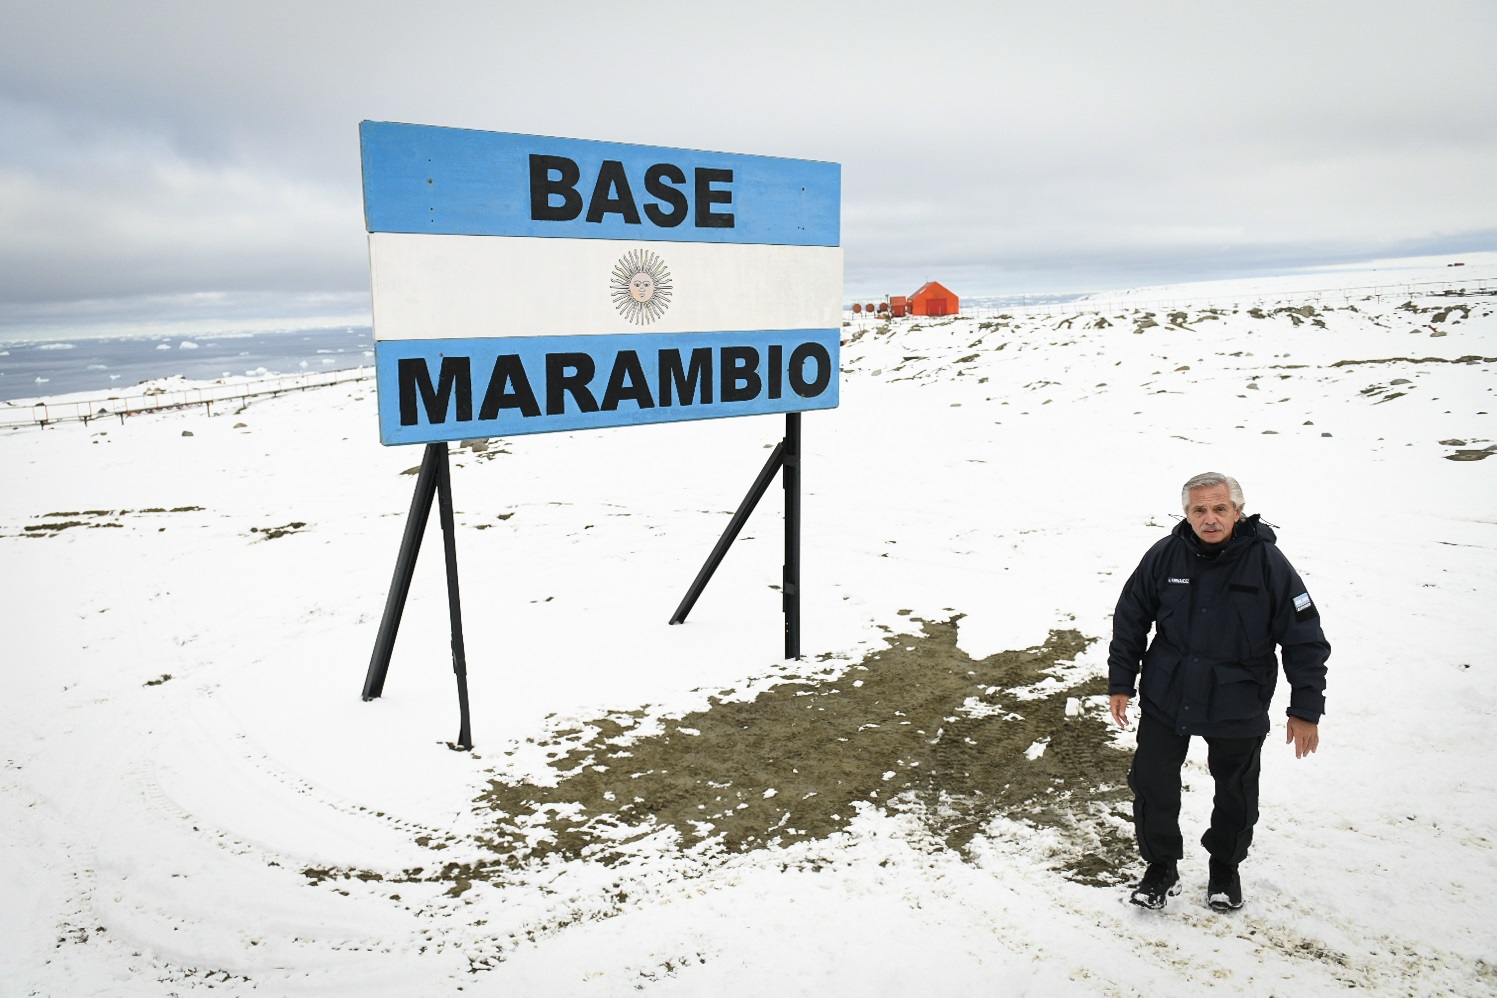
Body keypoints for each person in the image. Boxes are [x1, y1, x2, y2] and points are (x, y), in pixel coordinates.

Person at [1107, 472, 1329, 911]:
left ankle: (1225, 868)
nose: (1210, 519)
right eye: (1199, 510)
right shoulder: (1165, 556)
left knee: (1236, 788)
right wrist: (1121, 681)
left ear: (1237, 511)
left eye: (1219, 509)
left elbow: (1305, 638)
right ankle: (1160, 866)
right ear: (1186, 514)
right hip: (1167, 693)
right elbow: (1130, 616)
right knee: (1153, 782)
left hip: (1238, 698)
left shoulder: (1268, 563)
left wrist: (1305, 708)